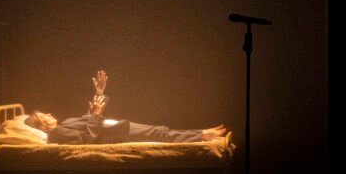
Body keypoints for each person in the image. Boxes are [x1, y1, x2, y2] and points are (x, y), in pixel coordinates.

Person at [25, 70, 226, 144]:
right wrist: (96, 113)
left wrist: (99, 94)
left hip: (114, 126)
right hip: (114, 133)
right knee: (159, 133)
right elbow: (86, 138)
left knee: (159, 131)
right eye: (44, 115)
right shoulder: (56, 133)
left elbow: (88, 121)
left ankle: (201, 134)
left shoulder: (64, 124)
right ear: (42, 125)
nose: (49, 113)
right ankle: (202, 135)